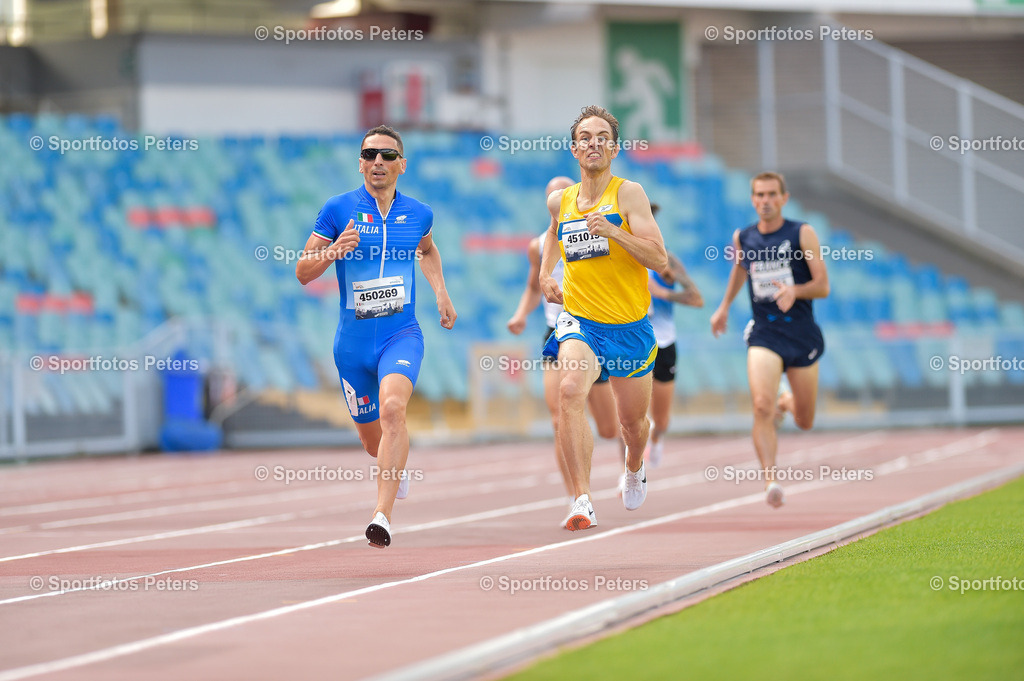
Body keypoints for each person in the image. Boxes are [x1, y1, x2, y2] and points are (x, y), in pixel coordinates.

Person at [296, 125, 457, 547]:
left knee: (393, 410)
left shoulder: (419, 213)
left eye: (387, 155)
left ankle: (381, 515)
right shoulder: (338, 209)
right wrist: (333, 251)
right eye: (369, 155)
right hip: (352, 345)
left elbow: (428, 249)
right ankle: (393, 464)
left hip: (400, 333)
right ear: (361, 163)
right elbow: (302, 271)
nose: (378, 162)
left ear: (402, 164)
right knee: (373, 442)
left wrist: (441, 292)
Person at [540, 105, 669, 530]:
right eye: (584, 136)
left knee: (632, 424)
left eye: (601, 137)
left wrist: (614, 231)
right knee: (570, 391)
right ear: (574, 148)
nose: (592, 143)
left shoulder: (628, 193)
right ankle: (581, 498)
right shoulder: (562, 200)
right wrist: (544, 276)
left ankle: (634, 467)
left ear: (613, 149)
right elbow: (553, 239)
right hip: (580, 321)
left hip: (629, 326)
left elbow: (659, 259)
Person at [709, 171, 829, 508]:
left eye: (772, 194)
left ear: (783, 198)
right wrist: (723, 309)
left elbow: (823, 284)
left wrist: (796, 290)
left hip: (802, 333)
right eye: (759, 195)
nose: (765, 201)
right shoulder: (743, 237)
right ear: (752, 200)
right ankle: (771, 479)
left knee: (804, 420)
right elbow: (740, 270)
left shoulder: (800, 233)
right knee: (760, 405)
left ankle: (786, 402)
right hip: (764, 332)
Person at [507, 176, 622, 511]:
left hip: (594, 331)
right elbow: (532, 287)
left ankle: (631, 448)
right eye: (551, 196)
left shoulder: (596, 229)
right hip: (556, 332)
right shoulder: (538, 245)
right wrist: (520, 314)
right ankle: (578, 496)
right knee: (559, 414)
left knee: (610, 428)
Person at [644, 205, 704, 467]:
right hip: (630, 343)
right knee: (630, 417)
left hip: (664, 344)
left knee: (661, 421)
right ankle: (631, 469)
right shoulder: (617, 256)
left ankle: (656, 439)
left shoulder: (667, 261)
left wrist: (661, 293)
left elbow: (697, 299)